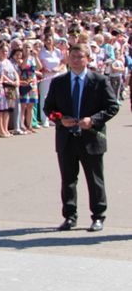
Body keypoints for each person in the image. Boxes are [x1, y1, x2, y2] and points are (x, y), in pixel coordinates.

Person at [43, 44, 118, 232]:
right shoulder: (59, 82)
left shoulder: (99, 81)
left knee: (95, 180)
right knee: (68, 179)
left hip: (91, 139)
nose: (76, 60)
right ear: (68, 59)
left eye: (80, 56)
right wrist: (60, 120)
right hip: (66, 139)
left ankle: (98, 216)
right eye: (73, 56)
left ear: (88, 59)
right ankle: (70, 216)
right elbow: (48, 109)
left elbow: (112, 107)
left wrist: (93, 120)